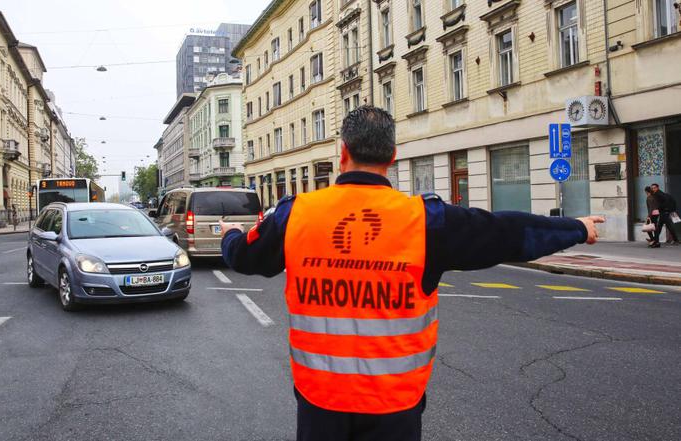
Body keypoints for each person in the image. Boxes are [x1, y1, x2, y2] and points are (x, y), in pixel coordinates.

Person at [219, 106, 604, 441]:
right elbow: (508, 232)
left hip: (321, 401)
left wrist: (230, 235)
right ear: (392, 156)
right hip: (394, 405)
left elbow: (246, 258)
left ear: (344, 153)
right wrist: (576, 227)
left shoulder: (296, 214)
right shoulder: (426, 220)